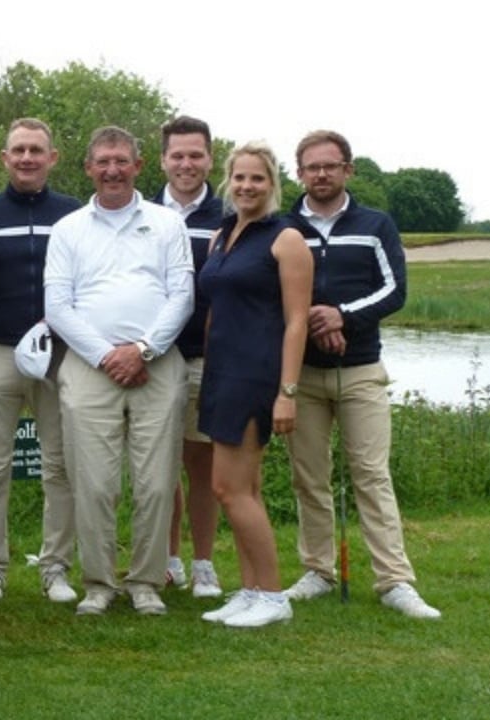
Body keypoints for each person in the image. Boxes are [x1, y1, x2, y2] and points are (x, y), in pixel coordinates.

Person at [282, 130, 441, 619]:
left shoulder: (376, 224)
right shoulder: (285, 227)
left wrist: (343, 316)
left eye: (331, 166)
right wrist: (316, 318)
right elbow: (274, 292)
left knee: (372, 475)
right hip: (303, 373)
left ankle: (394, 580)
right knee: (309, 477)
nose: (322, 174)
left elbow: (394, 290)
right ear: (300, 172)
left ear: (348, 170)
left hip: (362, 370)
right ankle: (318, 571)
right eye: (312, 167)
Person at [43, 126, 192, 616]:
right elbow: (58, 306)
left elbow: (181, 296)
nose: (112, 170)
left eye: (121, 161)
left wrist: (144, 349)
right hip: (89, 366)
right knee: (95, 482)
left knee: (154, 481)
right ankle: (99, 583)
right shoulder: (68, 229)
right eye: (103, 161)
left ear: (138, 166)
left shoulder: (167, 223)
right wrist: (109, 355)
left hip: (158, 363)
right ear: (87, 168)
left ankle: (146, 582)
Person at [195, 142, 312, 628]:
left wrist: (287, 393)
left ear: (273, 183)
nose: (247, 187)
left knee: (228, 488)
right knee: (248, 489)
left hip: (256, 375)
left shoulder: (286, 239)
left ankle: (272, 596)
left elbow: (297, 323)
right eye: (239, 178)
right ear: (229, 181)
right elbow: (216, 309)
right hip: (220, 371)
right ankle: (249, 590)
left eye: (257, 179)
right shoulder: (222, 235)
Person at [0, 118, 81, 603]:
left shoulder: (76, 214)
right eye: (19, 150)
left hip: (62, 353)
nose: (28, 158)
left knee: (61, 465)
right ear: (5, 157)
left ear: (52, 157)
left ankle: (55, 567)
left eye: (37, 150)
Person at [150, 116, 226, 598]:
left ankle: (203, 564)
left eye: (195, 155)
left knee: (200, 466)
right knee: (157, 468)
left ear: (209, 159)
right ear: (162, 160)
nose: (186, 164)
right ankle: (167, 559)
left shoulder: (230, 214)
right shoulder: (139, 212)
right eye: (177, 155)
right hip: (151, 358)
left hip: (204, 357)